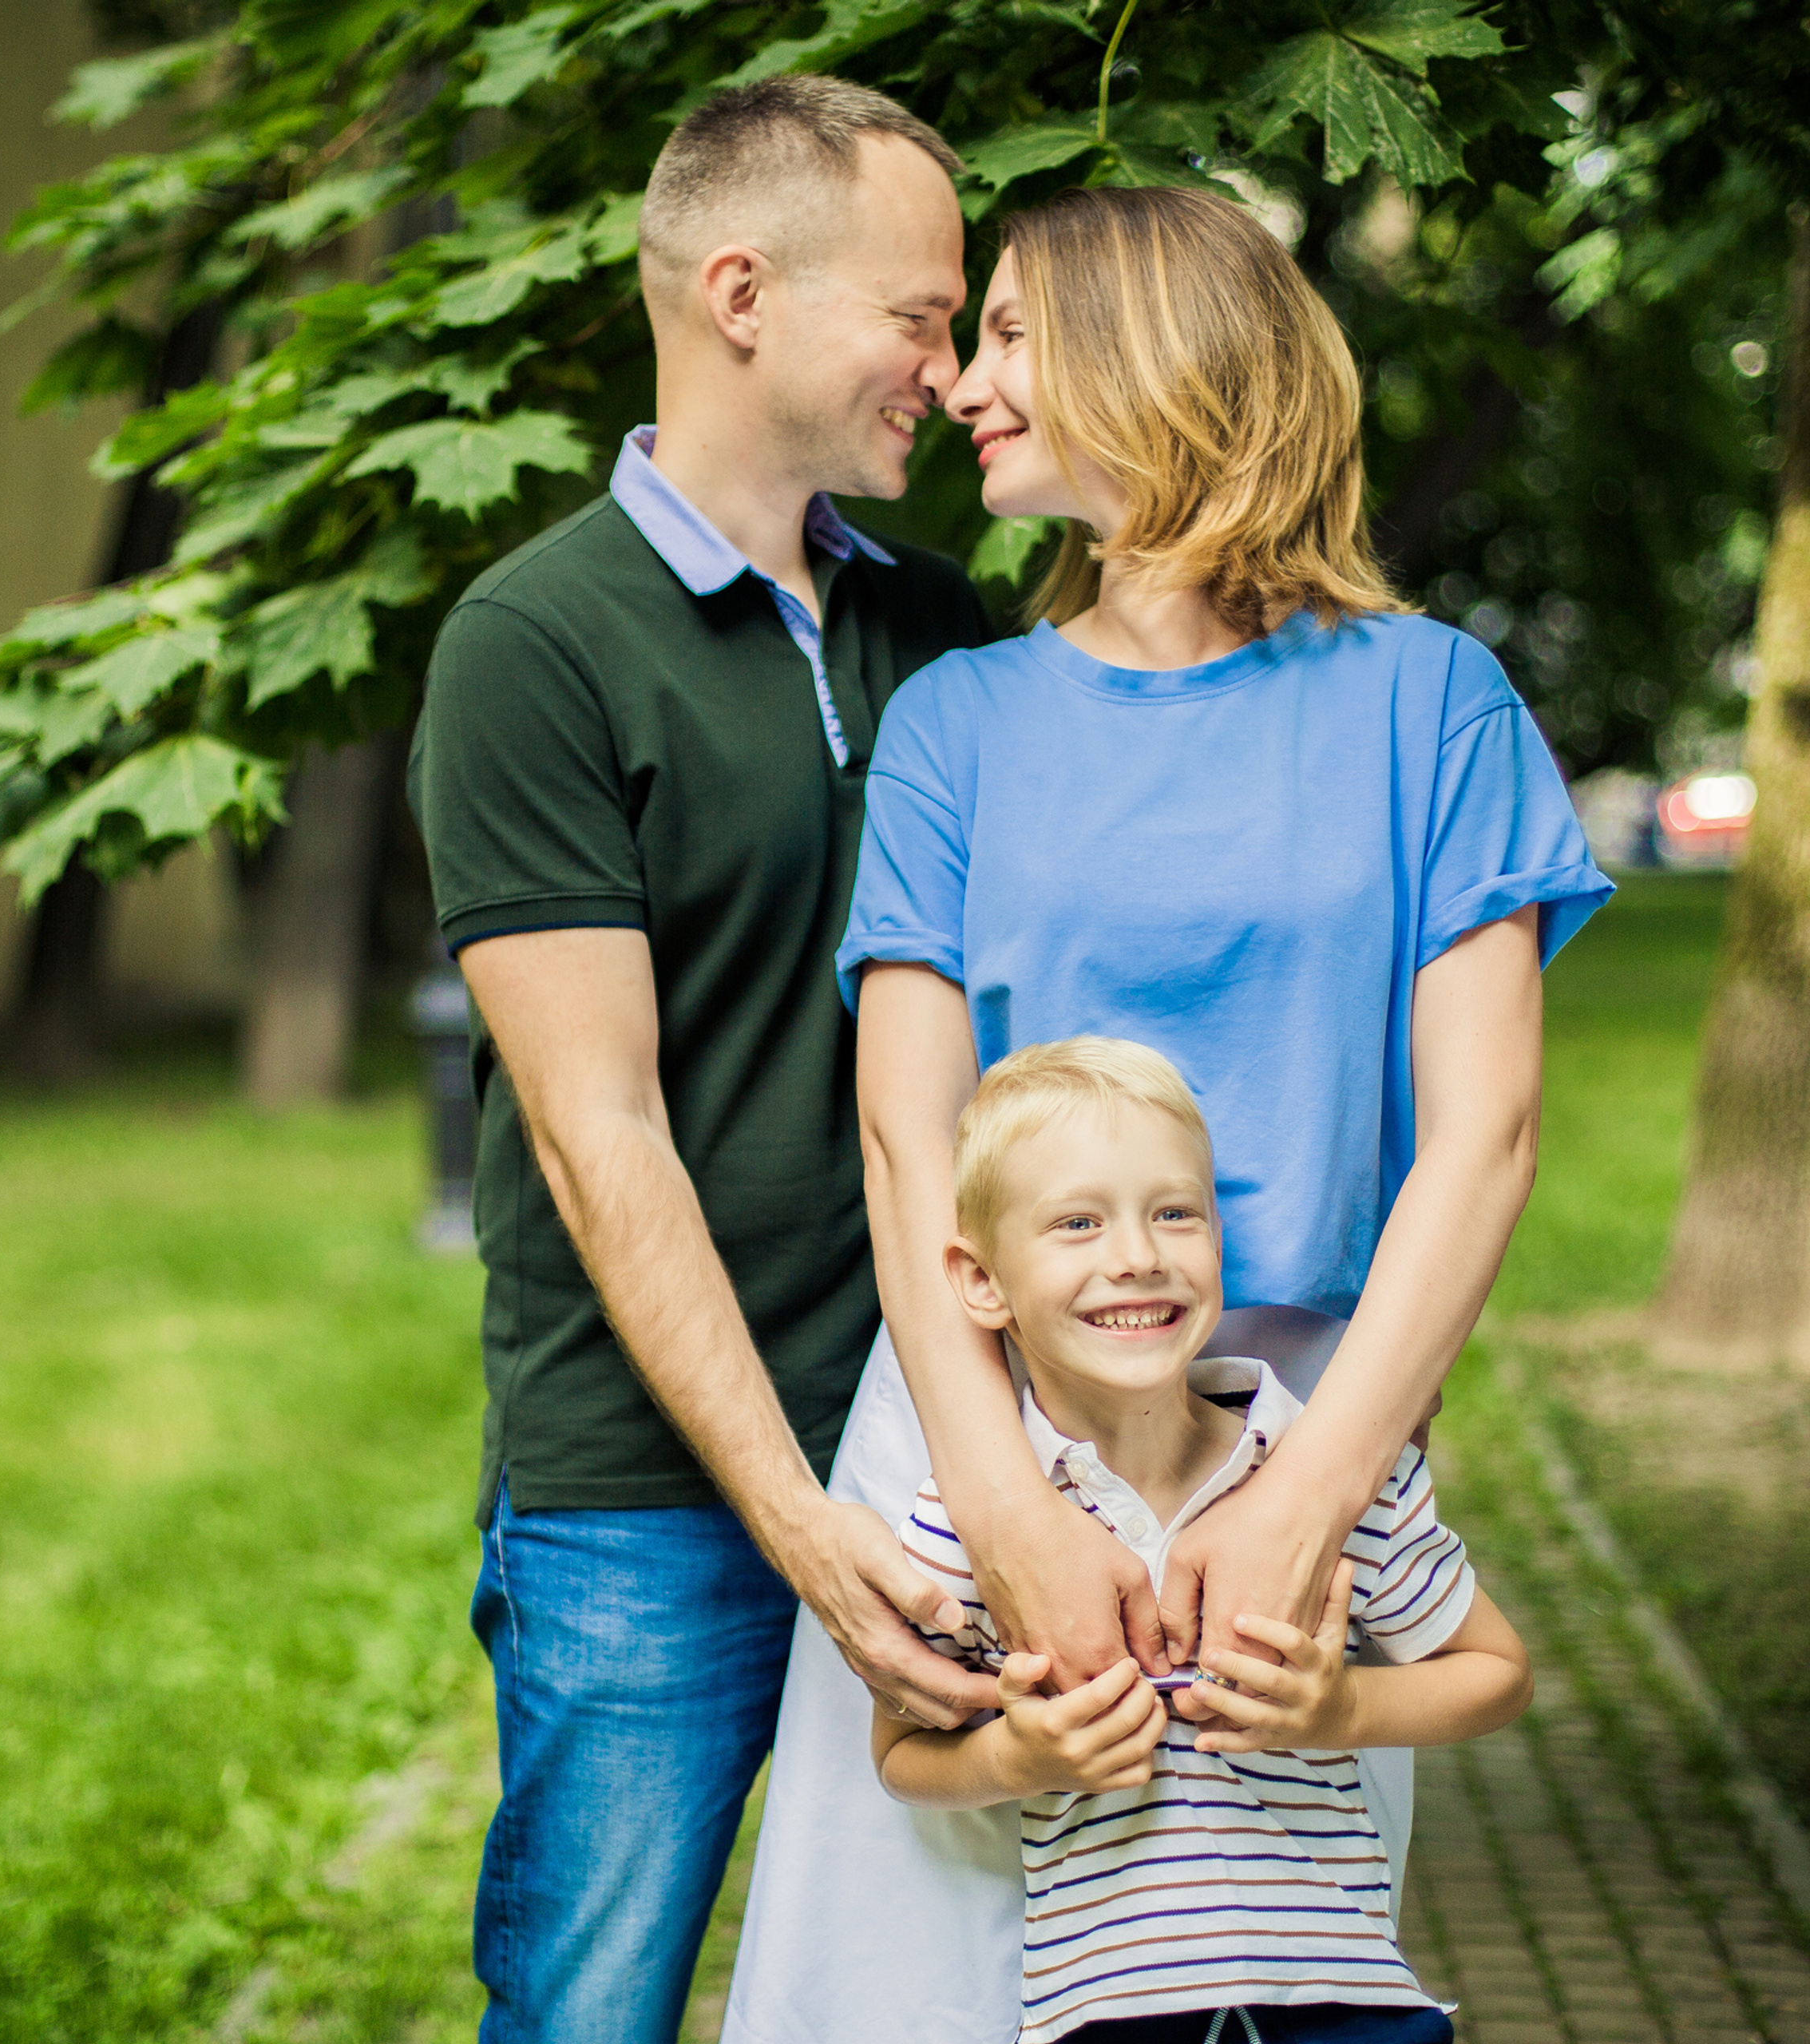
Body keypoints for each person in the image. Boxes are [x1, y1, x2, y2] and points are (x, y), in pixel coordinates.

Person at [723, 184, 1610, 2042]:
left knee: (1247, 1975)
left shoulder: (1429, 702)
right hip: (972, 1412)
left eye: (1013, 336)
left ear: (1153, 353)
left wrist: (1310, 1491)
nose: (964, 382)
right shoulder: (958, 719)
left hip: (1293, 1430)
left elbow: (1483, 1136)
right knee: (900, 1982)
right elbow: (907, 1139)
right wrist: (998, 1500)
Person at [407, 75, 1005, 2044]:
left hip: (938, 1451)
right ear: (742, 294)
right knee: (590, 2010)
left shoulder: (942, 625)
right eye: (918, 316)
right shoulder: (534, 642)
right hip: (645, 1499)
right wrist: (794, 1522)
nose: (951, 370)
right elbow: (598, 1136)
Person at [873, 1036, 1531, 2042]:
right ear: (980, 1280)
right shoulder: (967, 1526)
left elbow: (1497, 1673)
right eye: (1078, 1222)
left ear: (1219, 1239)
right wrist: (1015, 1756)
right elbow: (900, 1752)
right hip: (1109, 2021)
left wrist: (1343, 1708)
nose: (1137, 1254)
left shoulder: (1333, 1481)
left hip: (1346, 2007)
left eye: (1174, 1213)